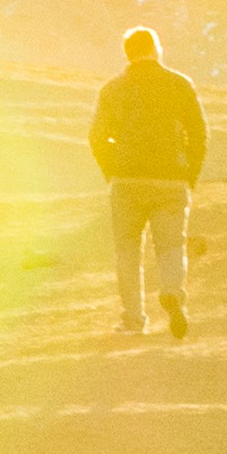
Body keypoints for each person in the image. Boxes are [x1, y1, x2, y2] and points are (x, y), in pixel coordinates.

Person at [89, 27, 204, 338]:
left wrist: (112, 171)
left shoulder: (112, 89)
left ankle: (134, 319)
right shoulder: (180, 85)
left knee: (127, 251)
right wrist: (189, 175)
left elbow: (97, 137)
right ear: (156, 49)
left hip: (126, 181)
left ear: (127, 54)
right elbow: (198, 134)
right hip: (171, 180)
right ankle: (171, 292)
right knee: (170, 246)